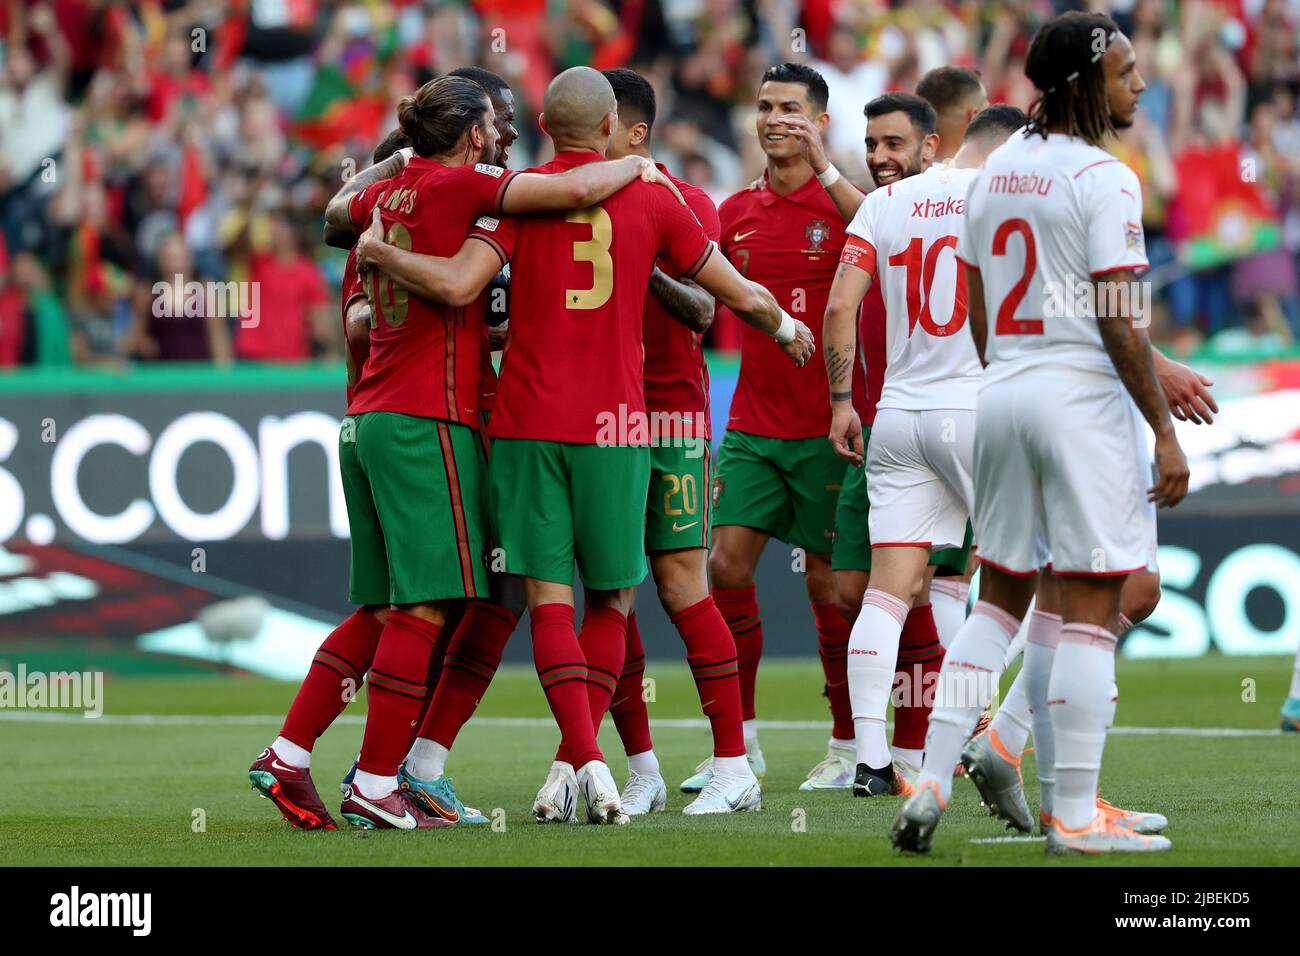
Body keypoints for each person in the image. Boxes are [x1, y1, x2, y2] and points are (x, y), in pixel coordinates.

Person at [351, 67, 813, 825]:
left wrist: (385, 257)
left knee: (546, 603)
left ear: (542, 122)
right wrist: (787, 328)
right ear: (609, 129)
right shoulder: (655, 192)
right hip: (621, 426)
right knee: (617, 597)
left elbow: (462, 282)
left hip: (526, 425)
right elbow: (734, 296)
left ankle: (584, 762)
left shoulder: (512, 196)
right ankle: (610, 764)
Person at [893, 11, 1190, 856]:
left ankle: (933, 779)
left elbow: (983, 307)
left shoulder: (995, 172)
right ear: (1084, 82)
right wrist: (1163, 434)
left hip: (1003, 395)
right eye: (1127, 71)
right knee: (1094, 609)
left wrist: (1011, 375)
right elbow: (1122, 321)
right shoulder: (1105, 177)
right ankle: (1076, 817)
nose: (1138, 83)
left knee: (998, 604)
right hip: (1077, 404)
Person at [825, 102, 1027, 797]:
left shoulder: (887, 202)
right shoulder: (1000, 196)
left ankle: (873, 761)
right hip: (975, 411)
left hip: (897, 415)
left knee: (889, 590)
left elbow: (839, 307)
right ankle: (998, 734)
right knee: (1026, 581)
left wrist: (842, 401)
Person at [683, 62, 862, 795]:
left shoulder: (850, 205)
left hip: (826, 427)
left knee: (828, 585)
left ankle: (849, 743)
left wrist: (832, 168)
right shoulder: (734, 213)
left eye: (791, 107)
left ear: (819, 121)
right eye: (764, 106)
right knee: (723, 564)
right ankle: (741, 742)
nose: (774, 118)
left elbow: (895, 236)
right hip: (753, 424)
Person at [595, 68, 756, 816]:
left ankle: (733, 766)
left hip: (673, 419)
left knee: (680, 582)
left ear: (630, 130)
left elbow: (703, 310)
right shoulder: (570, 198)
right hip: (599, 421)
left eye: (594, 123)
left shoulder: (686, 203)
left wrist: (650, 254)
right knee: (612, 591)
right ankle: (644, 769)